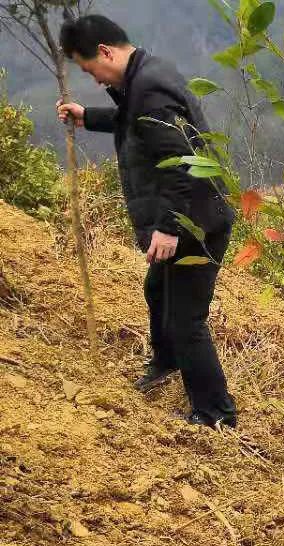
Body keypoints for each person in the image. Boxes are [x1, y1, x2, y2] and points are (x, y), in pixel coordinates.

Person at [57, 14, 237, 428]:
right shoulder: (142, 77)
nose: (96, 80)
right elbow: (132, 121)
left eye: (91, 70)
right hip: (192, 214)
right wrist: (88, 116)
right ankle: (168, 361)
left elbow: (178, 167)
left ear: (105, 51)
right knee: (157, 288)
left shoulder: (148, 87)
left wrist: (168, 228)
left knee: (186, 319)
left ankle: (216, 413)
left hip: (196, 223)